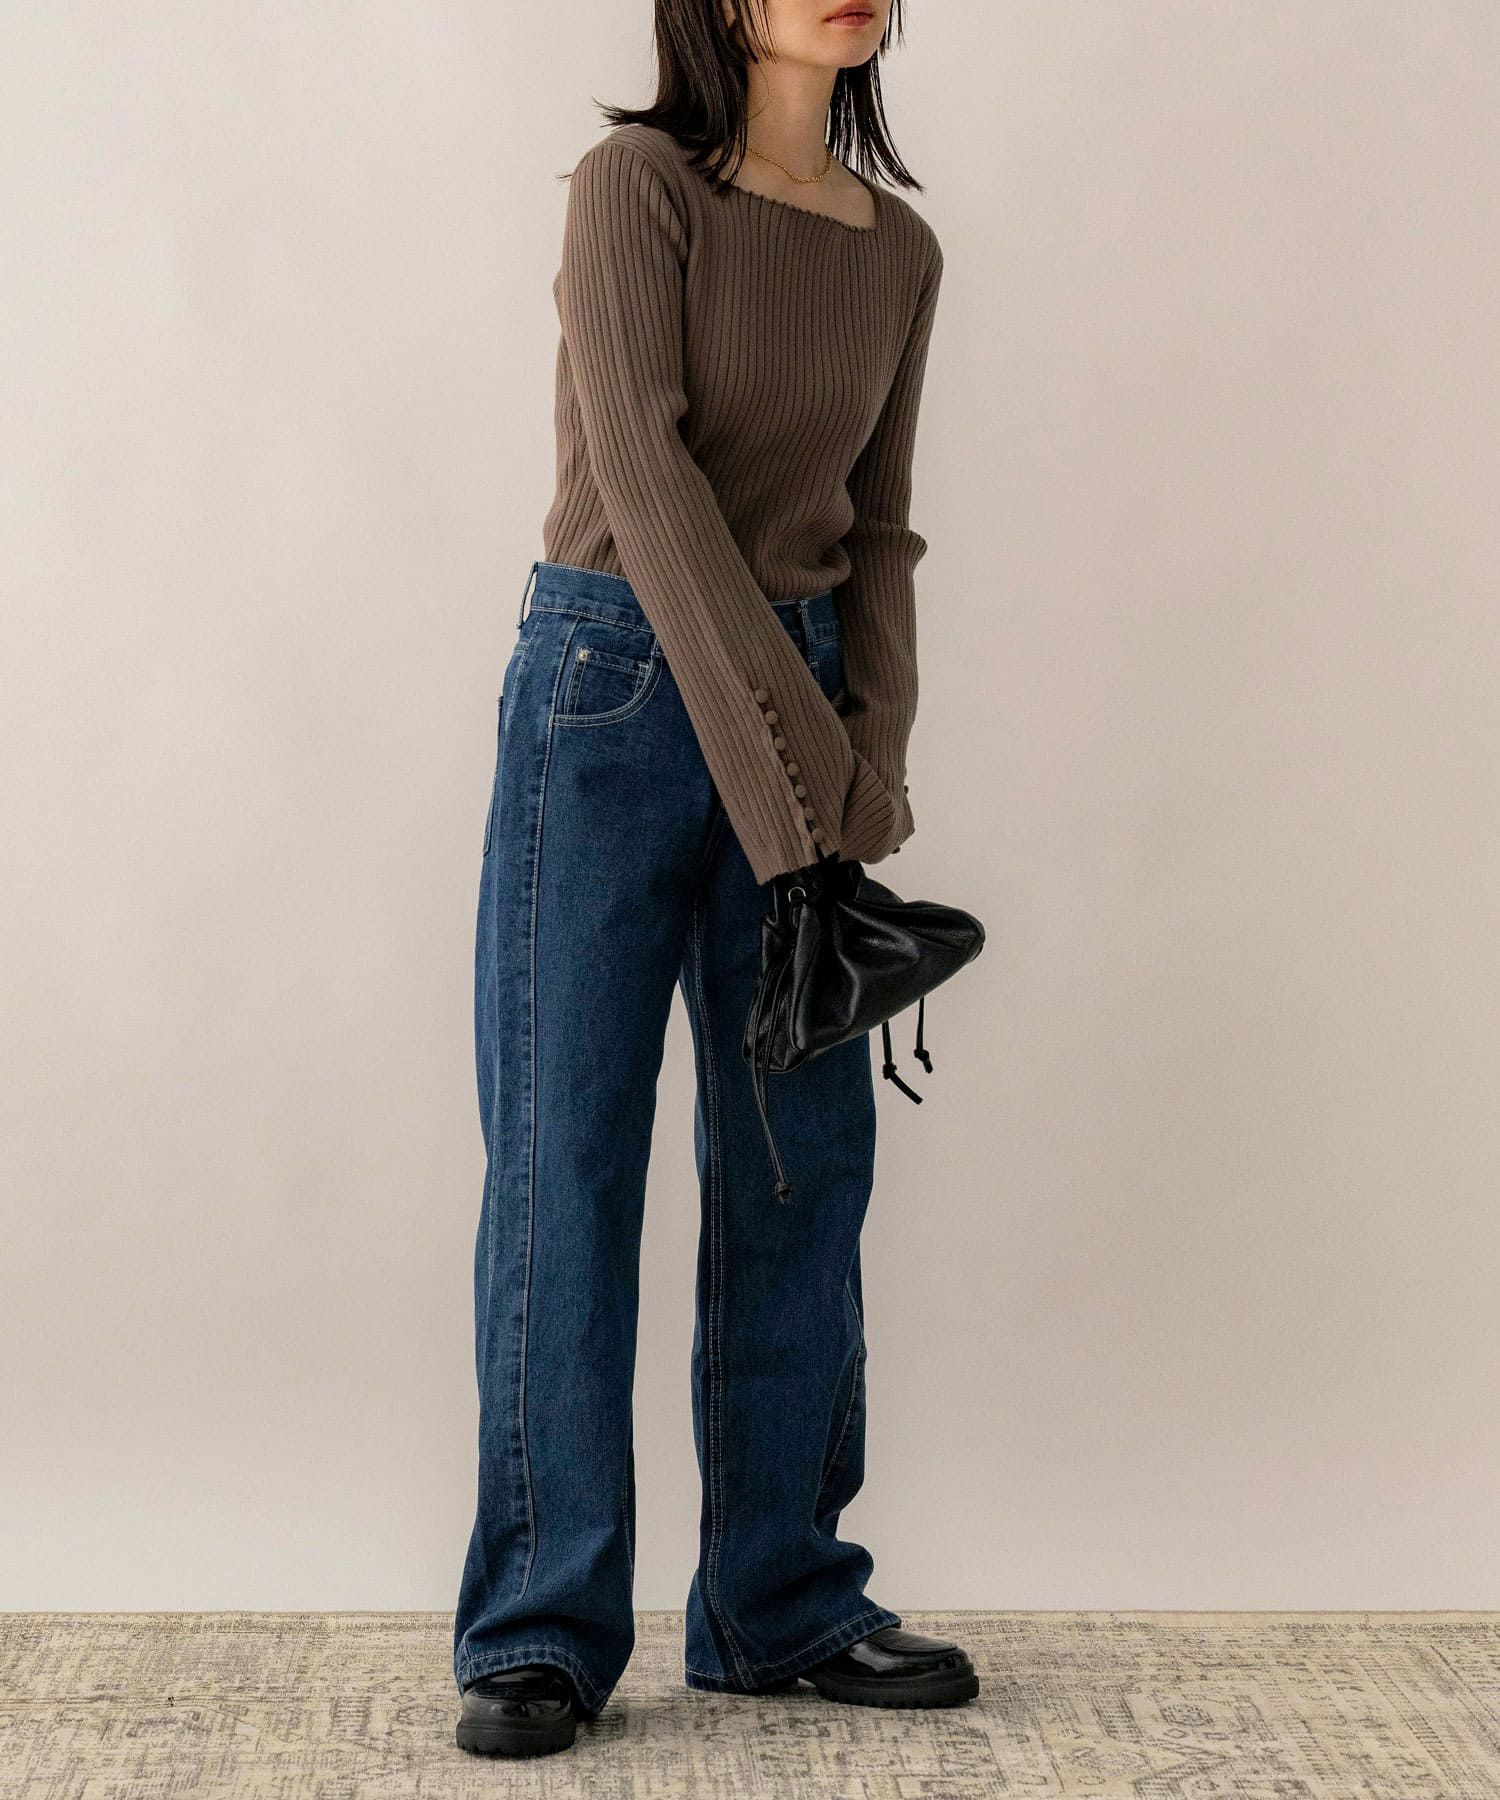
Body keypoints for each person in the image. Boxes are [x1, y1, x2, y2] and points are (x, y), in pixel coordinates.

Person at [453, 0, 976, 1758]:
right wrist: (789, 787)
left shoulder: (897, 251)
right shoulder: (637, 190)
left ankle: (780, 1597)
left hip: (803, 711)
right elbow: (649, 484)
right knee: (566, 1160)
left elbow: (879, 526)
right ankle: (540, 1625)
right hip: (611, 693)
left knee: (799, 1171)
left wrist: (868, 767)